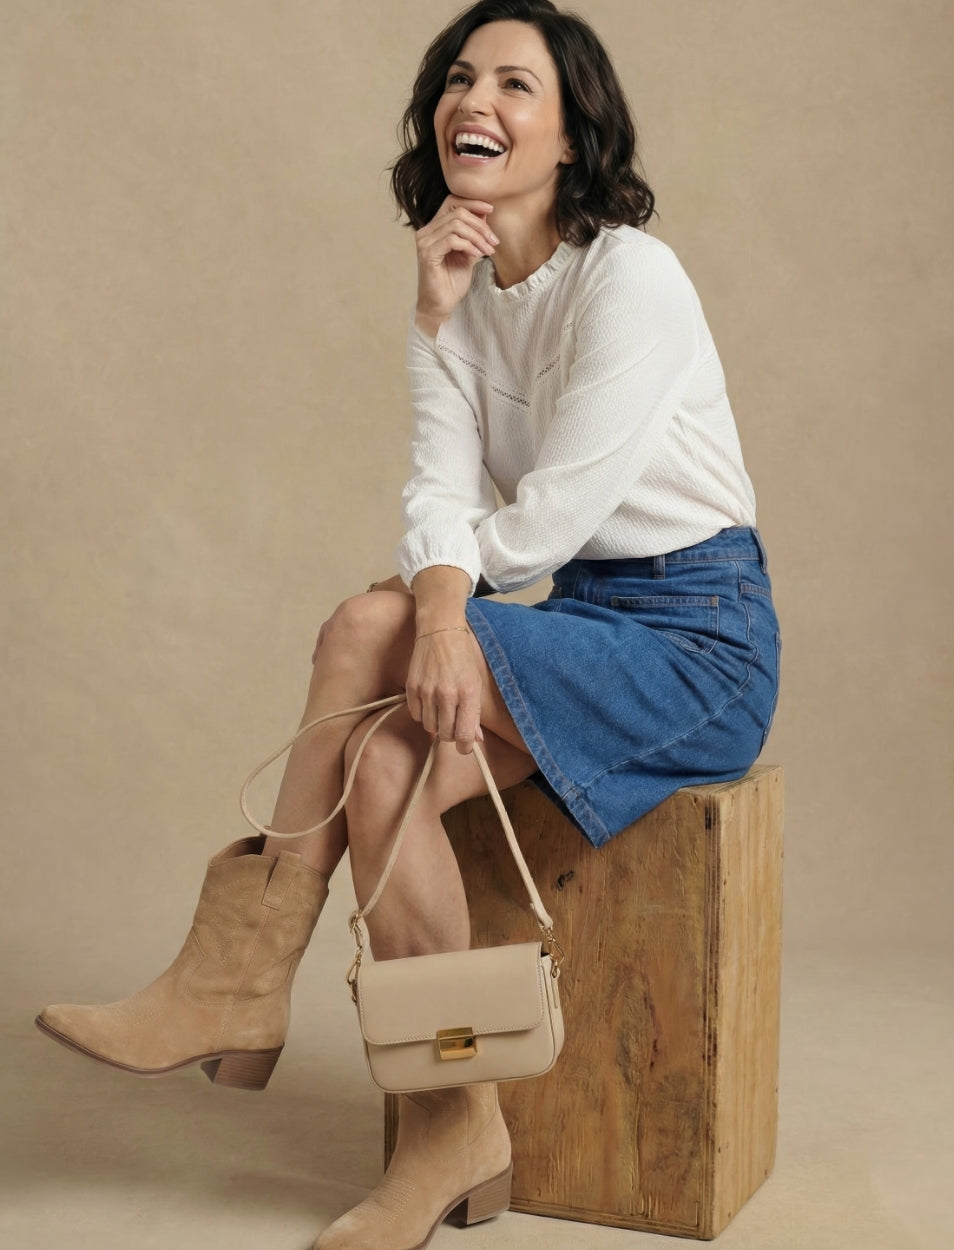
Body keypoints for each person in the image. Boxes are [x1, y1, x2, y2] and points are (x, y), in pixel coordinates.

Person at [35, 2, 781, 1247]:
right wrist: (434, 327)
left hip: (698, 639)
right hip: (579, 621)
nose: (472, 101)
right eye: (457, 78)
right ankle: (451, 1124)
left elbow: (545, 519)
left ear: (573, 133)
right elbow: (435, 495)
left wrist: (435, 610)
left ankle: (240, 979)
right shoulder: (461, 293)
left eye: (514, 84)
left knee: (361, 625)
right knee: (383, 765)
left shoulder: (632, 278)